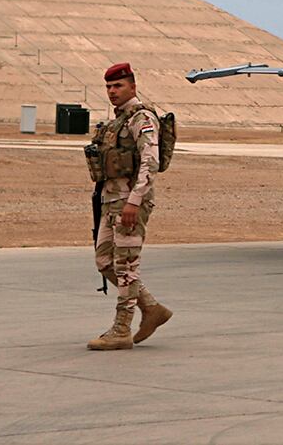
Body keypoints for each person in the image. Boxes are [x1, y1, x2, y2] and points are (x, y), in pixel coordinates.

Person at [85, 62, 173, 350]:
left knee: (125, 266)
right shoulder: (117, 121)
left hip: (129, 202)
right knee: (105, 262)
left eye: (118, 86)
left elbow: (151, 162)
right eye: (109, 87)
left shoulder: (142, 118)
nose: (112, 91)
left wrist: (134, 202)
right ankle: (151, 308)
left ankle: (122, 329)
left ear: (132, 87)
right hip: (111, 201)